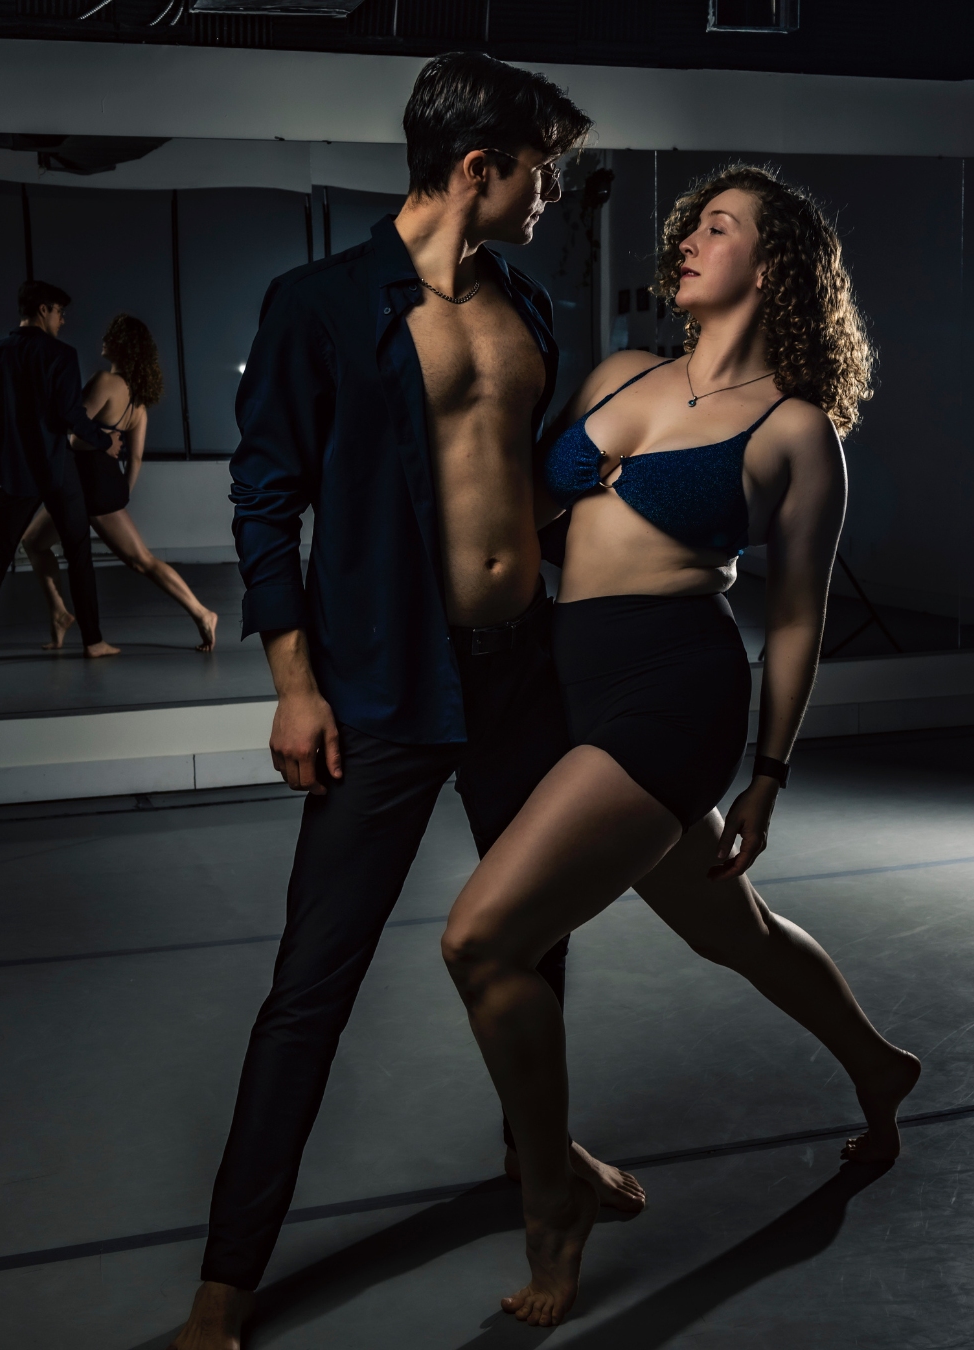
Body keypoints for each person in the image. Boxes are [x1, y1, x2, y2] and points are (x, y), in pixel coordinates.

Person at [167, 54, 645, 1350]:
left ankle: (535, 1160)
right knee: (310, 985)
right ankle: (227, 1279)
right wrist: (293, 687)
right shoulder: (319, 305)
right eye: (541, 169)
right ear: (478, 166)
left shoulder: (526, 302)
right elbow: (265, 498)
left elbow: (529, 488)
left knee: (536, 939)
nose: (551, 194)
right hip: (381, 686)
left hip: (520, 674)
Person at [441, 164, 923, 1327]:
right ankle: (880, 1063)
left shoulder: (795, 430)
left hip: (675, 691)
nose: (691, 241)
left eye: (720, 226)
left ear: (775, 264)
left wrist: (769, 772)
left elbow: (797, 616)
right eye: (693, 224)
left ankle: (553, 1200)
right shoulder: (619, 374)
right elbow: (521, 513)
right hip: (568, 680)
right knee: (732, 931)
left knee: (482, 939)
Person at [21, 312, 218, 652]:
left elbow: (74, 435)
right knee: (34, 541)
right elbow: (136, 457)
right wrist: (124, 490)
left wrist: (100, 446)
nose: (103, 340)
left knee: (141, 560)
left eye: (111, 336)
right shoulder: (138, 403)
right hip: (98, 485)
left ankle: (203, 612)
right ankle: (59, 613)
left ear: (123, 346)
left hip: (88, 484)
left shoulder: (104, 382)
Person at [0, 280, 119, 657]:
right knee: (78, 552)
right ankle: (93, 642)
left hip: (15, 471)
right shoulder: (60, 354)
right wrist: (104, 441)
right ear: (43, 309)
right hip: (57, 468)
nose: (62, 320)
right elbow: (70, 416)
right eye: (60, 312)